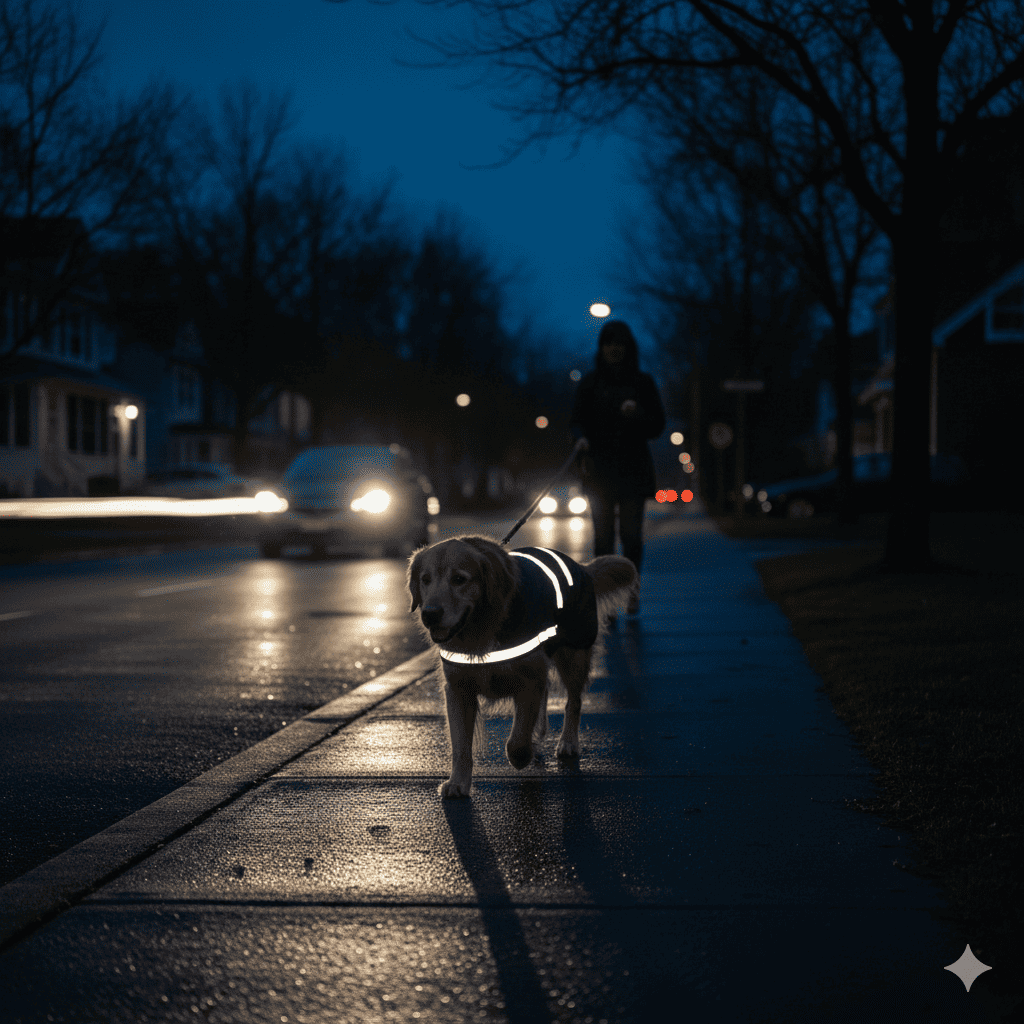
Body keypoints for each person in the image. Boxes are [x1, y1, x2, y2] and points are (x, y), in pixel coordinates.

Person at [570, 319, 665, 615]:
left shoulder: (643, 383)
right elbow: (576, 420)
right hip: (599, 473)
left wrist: (638, 413)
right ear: (602, 347)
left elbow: (657, 426)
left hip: (633, 472)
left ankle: (631, 590)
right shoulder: (590, 383)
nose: (613, 349)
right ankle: (607, 597)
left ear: (628, 347)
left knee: (632, 537)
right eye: (608, 343)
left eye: (619, 343)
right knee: (603, 540)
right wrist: (580, 437)